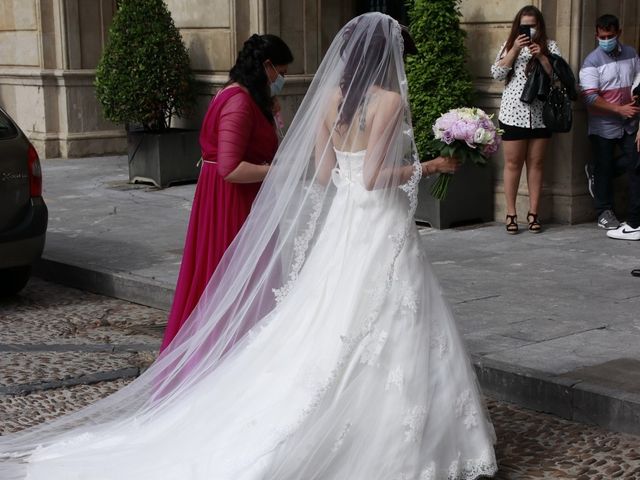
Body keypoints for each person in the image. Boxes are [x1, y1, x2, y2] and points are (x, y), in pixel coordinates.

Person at [0, 13, 497, 479]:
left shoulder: (331, 101)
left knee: (328, 316)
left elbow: (326, 175)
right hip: (379, 226)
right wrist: (431, 167)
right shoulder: (386, 100)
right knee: (387, 316)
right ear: (387, 56)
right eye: (400, 57)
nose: (401, 66)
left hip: (344, 226)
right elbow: (372, 178)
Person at [160, 34, 294, 351]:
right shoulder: (238, 103)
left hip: (236, 198)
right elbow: (230, 169)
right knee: (235, 279)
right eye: (281, 72)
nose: (283, 79)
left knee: (237, 278)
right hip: (232, 203)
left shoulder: (243, 97)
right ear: (266, 66)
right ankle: (226, 352)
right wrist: (280, 172)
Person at [491, 5, 561, 234]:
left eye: (532, 25)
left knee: (537, 164)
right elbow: (497, 74)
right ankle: (511, 213)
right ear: (517, 26)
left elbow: (557, 77)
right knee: (512, 165)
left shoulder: (550, 46)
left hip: (541, 116)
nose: (529, 29)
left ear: (540, 25)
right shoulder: (509, 45)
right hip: (513, 114)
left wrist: (540, 54)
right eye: (524, 26)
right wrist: (514, 50)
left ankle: (533, 213)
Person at [579, 14, 640, 239]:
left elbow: (637, 79)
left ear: (619, 33)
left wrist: (635, 96)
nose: (606, 40)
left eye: (610, 36)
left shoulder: (632, 54)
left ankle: (595, 173)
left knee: (634, 161)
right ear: (596, 35)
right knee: (604, 166)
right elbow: (589, 97)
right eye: (602, 36)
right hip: (603, 125)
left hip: (629, 123)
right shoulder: (591, 61)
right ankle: (604, 211)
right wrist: (619, 109)